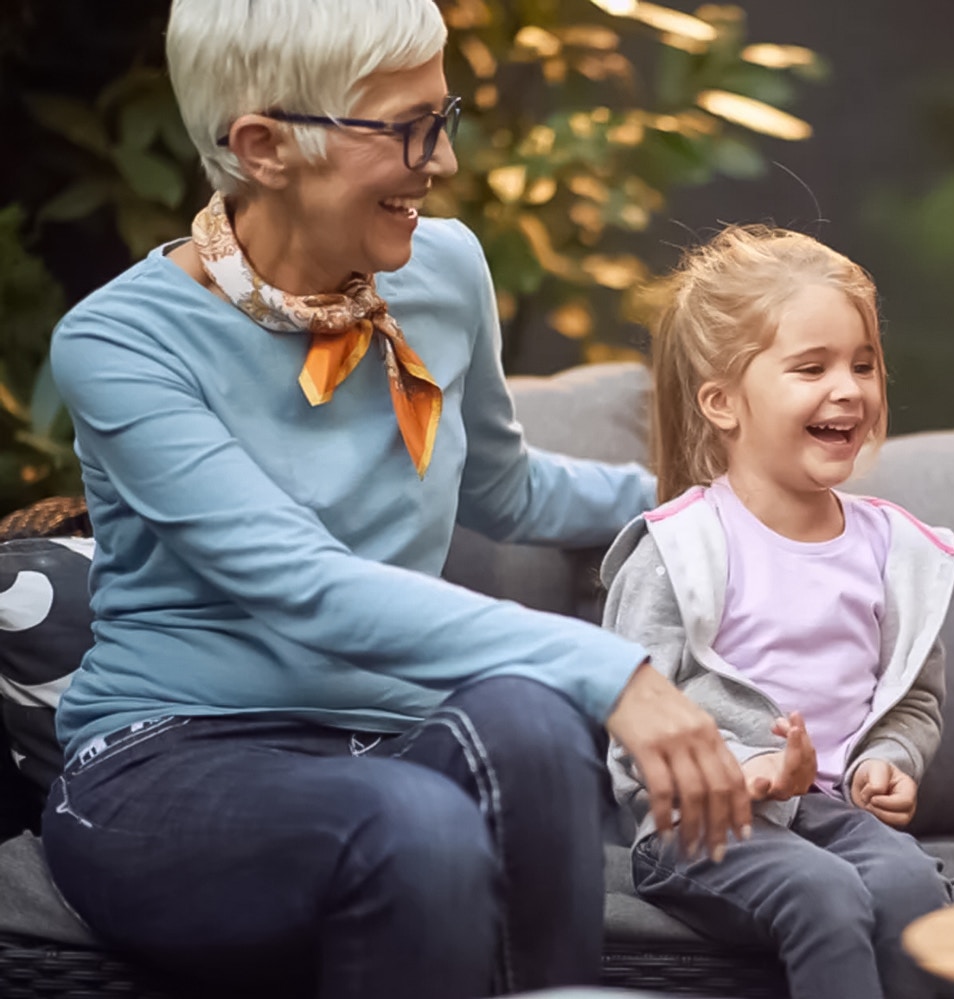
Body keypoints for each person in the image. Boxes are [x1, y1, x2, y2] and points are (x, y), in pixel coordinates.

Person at [40, 2, 751, 996]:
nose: (446, 160)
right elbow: (301, 582)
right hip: (169, 764)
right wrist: (616, 672)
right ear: (263, 146)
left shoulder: (442, 268)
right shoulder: (121, 345)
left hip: (395, 743)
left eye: (442, 113)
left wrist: (717, 499)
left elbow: (505, 488)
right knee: (414, 823)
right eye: (409, 127)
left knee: (535, 725)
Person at [601, 225, 954, 999]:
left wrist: (887, 761)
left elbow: (916, 699)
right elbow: (631, 722)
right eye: (811, 367)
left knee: (913, 893)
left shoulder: (893, 549)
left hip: (834, 813)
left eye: (863, 364)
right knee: (822, 895)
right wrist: (746, 769)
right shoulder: (676, 548)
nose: (849, 388)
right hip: (702, 825)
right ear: (723, 401)